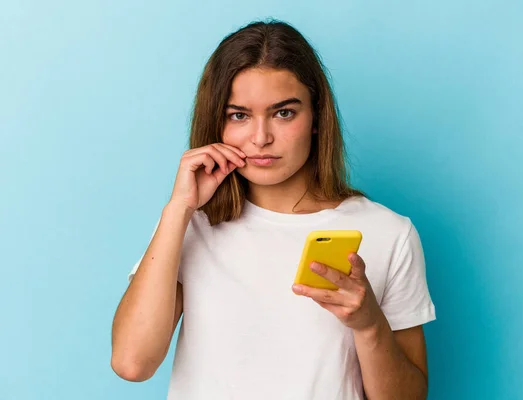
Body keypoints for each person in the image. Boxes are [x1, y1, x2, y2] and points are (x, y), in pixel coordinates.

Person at [111, 19, 436, 400]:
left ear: (316, 118)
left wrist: (368, 325)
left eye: (284, 113)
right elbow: (132, 363)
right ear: (217, 124)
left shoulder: (387, 232)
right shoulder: (189, 226)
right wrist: (178, 209)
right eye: (239, 115)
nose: (261, 138)